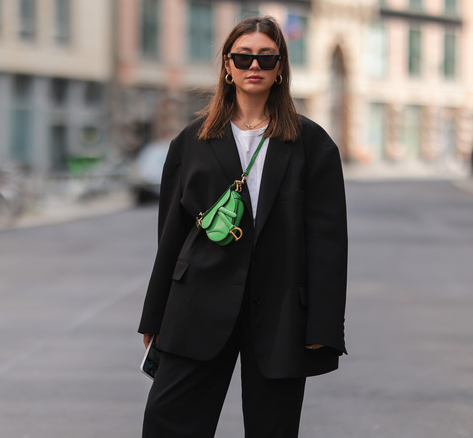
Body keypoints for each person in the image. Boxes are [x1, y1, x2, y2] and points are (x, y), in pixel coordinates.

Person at [138, 16, 348, 438]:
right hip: (197, 304)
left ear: (280, 67)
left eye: (266, 58)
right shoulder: (192, 142)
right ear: (228, 67)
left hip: (281, 310)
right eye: (243, 56)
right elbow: (171, 235)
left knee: (273, 429)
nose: (255, 66)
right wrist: (154, 315)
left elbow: (328, 243)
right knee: (169, 424)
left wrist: (323, 324)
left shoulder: (312, 144)